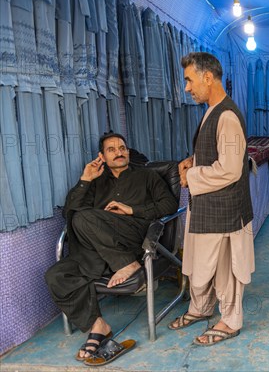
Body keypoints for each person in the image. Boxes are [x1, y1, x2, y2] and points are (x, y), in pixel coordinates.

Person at [45, 133, 178, 360]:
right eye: (112, 149)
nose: (119, 152)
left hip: (134, 236)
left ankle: (128, 263)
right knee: (56, 275)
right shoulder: (96, 181)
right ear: (102, 156)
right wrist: (85, 179)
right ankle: (98, 326)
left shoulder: (147, 176)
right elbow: (70, 213)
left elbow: (169, 204)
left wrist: (132, 210)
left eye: (122, 148)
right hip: (98, 249)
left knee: (84, 218)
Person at [168, 52, 254, 346]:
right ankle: (202, 308)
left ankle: (230, 321)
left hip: (227, 210)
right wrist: (192, 162)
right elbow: (214, 156)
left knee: (227, 268)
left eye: (190, 80)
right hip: (208, 206)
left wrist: (190, 177)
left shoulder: (227, 116)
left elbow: (229, 170)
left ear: (208, 77)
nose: (187, 88)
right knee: (200, 262)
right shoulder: (211, 110)